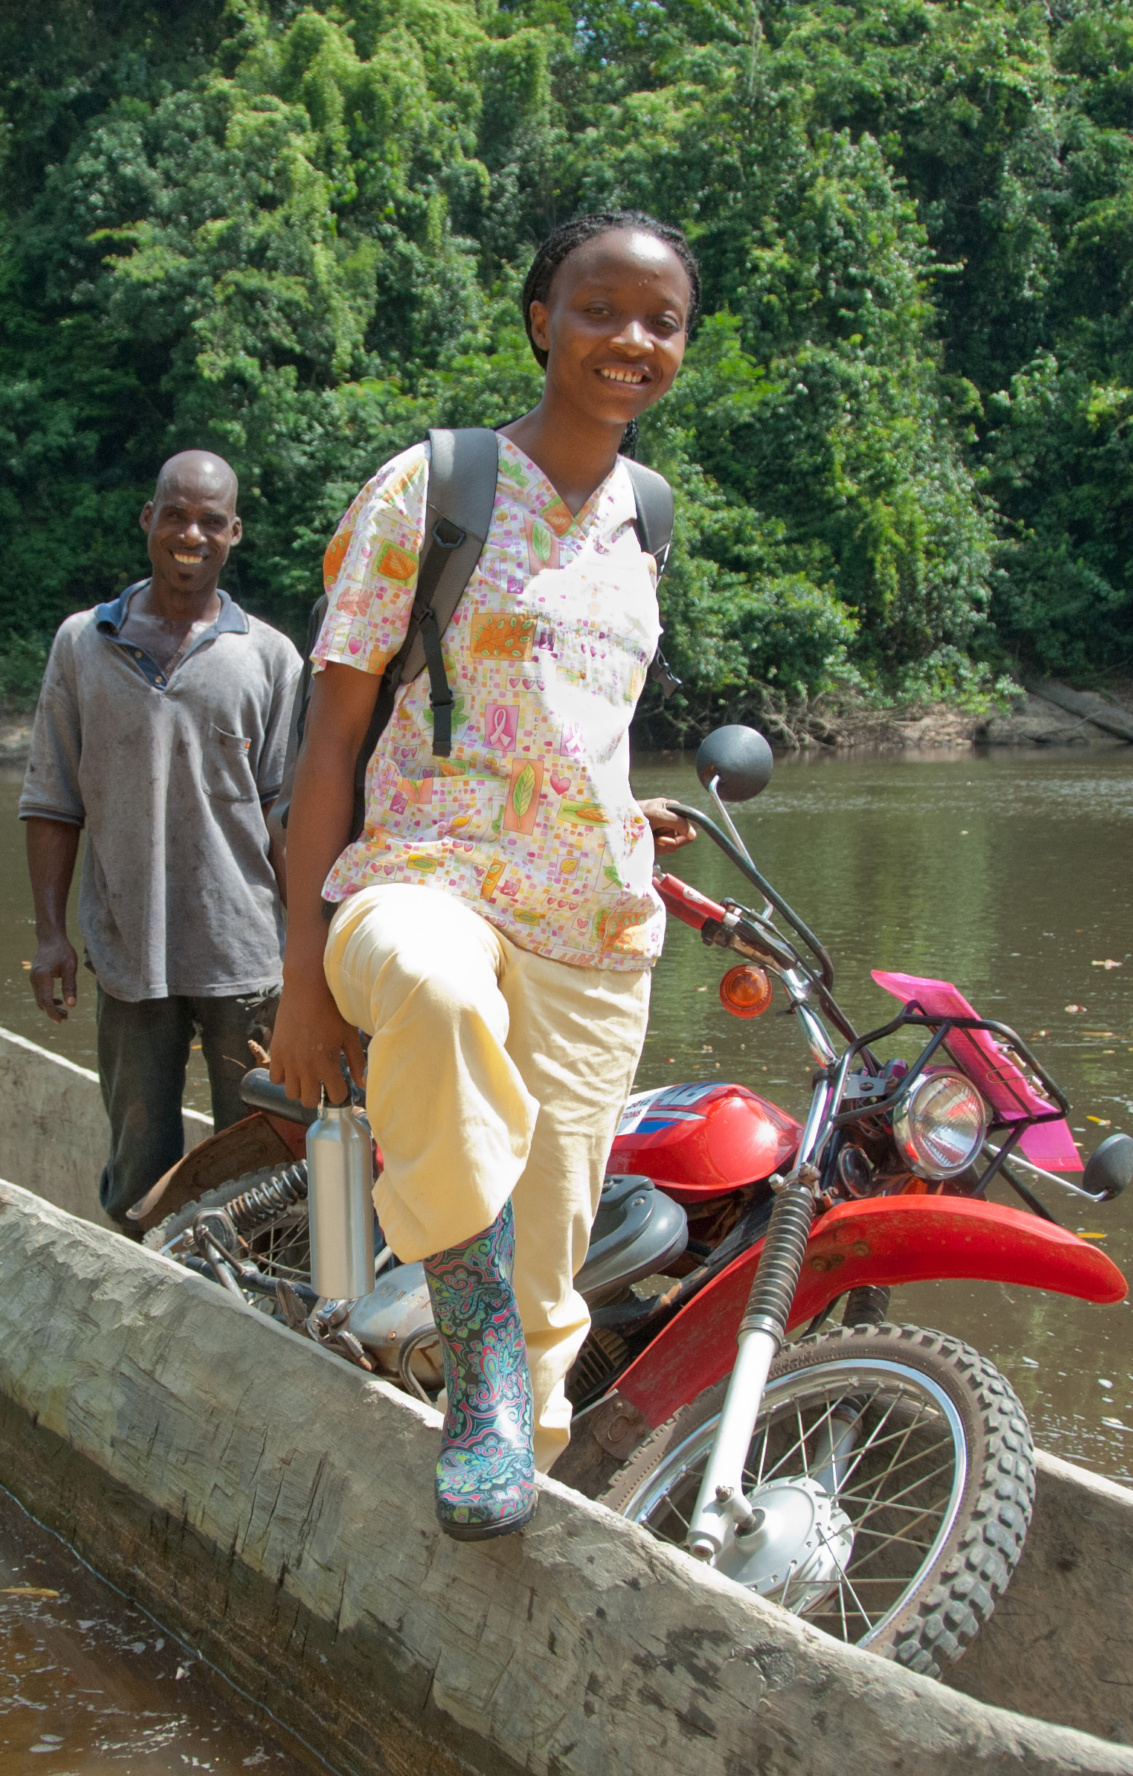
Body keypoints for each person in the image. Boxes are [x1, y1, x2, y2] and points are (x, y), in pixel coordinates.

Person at [266, 213, 703, 1541]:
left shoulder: (651, 519)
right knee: (437, 990)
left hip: (592, 925)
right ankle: (473, 1354)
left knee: (557, 1259)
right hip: (423, 874)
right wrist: (300, 982)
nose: (629, 340)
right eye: (598, 308)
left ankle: (518, 1501)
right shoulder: (437, 486)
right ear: (540, 320)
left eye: (660, 320)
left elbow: (575, 714)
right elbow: (334, 740)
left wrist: (626, 811)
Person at [21, 451, 306, 1231]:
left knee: (263, 1153)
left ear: (235, 533)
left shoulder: (271, 656)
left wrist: (313, 949)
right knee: (138, 1160)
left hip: (243, 950)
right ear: (148, 520)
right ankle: (144, 1276)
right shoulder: (83, 644)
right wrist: (51, 939)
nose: (191, 533)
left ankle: (258, 1293)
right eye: (175, 514)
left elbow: (285, 811)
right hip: (128, 951)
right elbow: (52, 800)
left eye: (211, 520)